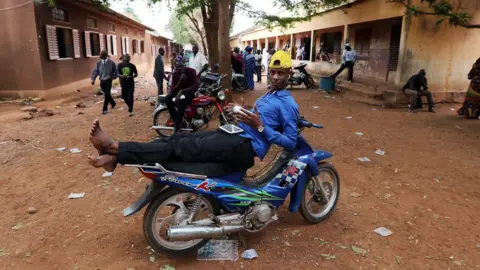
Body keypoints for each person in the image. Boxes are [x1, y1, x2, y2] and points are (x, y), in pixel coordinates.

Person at [86, 50, 300, 173]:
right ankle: (116, 158)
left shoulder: (288, 104)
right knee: (175, 139)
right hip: (234, 134)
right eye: (273, 72)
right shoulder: (269, 96)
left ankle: (114, 147)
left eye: (281, 73)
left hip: (244, 147)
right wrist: (242, 113)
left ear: (289, 73)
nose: (275, 77)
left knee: (180, 145)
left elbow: (291, 142)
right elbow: (256, 119)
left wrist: (259, 126)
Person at [166, 56, 199, 133]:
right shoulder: (175, 74)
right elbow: (173, 89)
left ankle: (177, 126)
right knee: (167, 98)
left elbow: (195, 86)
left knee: (182, 101)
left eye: (181, 66)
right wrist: (180, 82)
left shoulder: (192, 71)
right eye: (178, 67)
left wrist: (183, 91)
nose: (180, 69)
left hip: (189, 93)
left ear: (184, 65)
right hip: (178, 93)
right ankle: (175, 120)